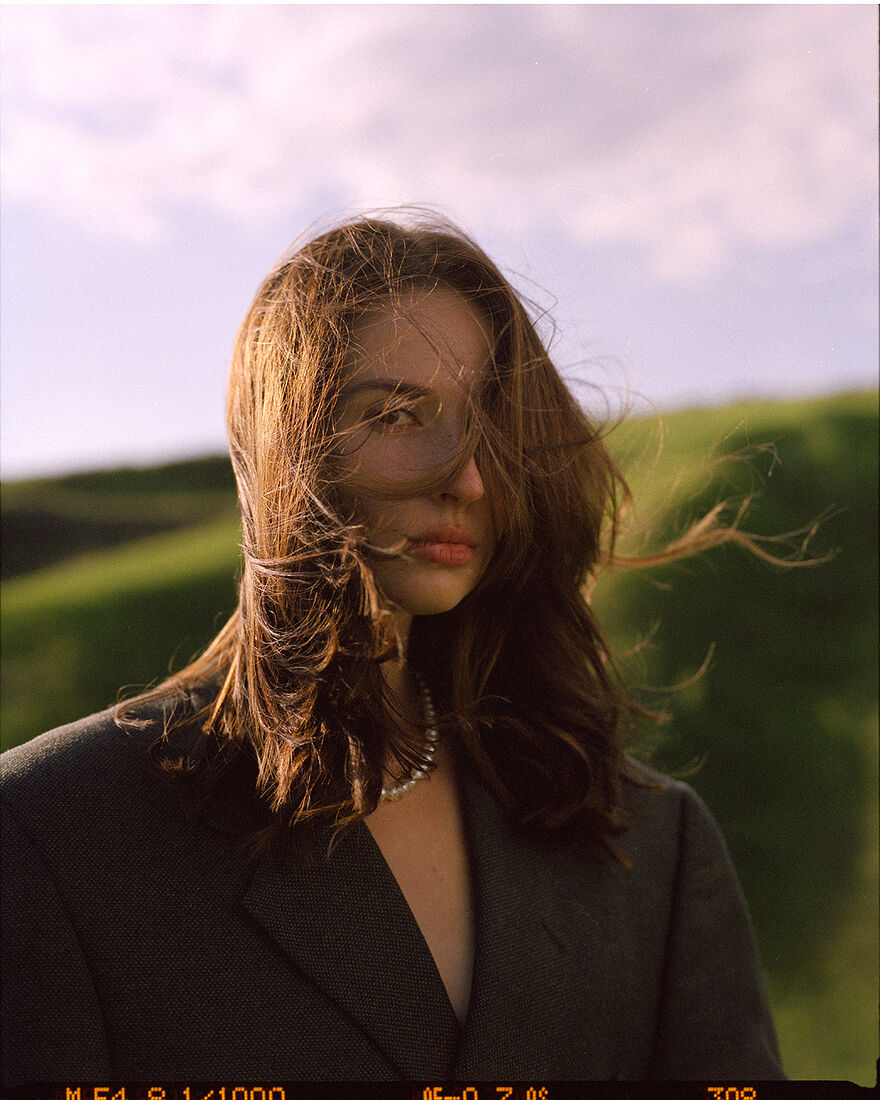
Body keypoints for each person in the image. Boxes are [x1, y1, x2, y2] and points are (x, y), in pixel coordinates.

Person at [1, 213, 785, 1084]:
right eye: (399, 414)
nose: (470, 478)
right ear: (287, 446)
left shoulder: (650, 843)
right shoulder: (53, 834)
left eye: (493, 425)